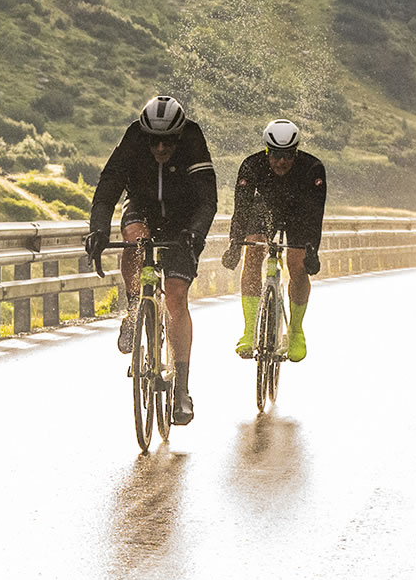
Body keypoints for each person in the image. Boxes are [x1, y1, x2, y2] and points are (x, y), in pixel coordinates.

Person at [85, 95, 217, 425]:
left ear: (179, 136)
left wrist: (196, 233)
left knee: (175, 296)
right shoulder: (134, 138)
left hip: (183, 219)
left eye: (168, 141)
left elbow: (207, 199)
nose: (160, 149)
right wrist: (99, 230)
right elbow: (107, 188)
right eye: (154, 141)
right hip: (142, 207)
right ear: (145, 135)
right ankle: (134, 309)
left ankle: (181, 390)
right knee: (134, 240)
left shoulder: (193, 138)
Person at [222, 119, 327, 362]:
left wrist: (313, 250)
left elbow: (315, 215)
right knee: (253, 253)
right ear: (267, 151)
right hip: (264, 209)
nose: (281, 161)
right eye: (276, 155)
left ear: (296, 152)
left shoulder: (312, 168)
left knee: (298, 267)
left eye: (288, 155)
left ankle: (296, 331)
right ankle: (249, 331)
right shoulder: (251, 165)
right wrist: (234, 244)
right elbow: (242, 209)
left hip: (298, 212)